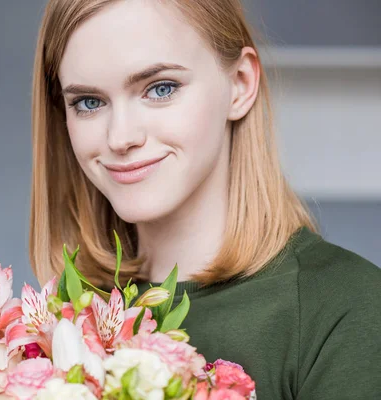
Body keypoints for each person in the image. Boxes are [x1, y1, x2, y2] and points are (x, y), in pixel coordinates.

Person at [27, 0, 381, 398]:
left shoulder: (350, 310)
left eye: (160, 89)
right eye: (89, 102)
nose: (120, 137)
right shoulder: (59, 329)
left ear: (240, 84)